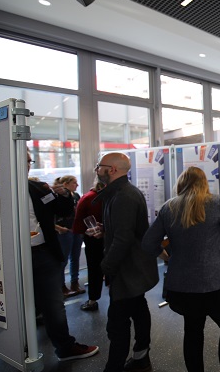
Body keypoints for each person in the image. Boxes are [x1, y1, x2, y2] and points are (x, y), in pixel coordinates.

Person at [142, 166, 220, 372]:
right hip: (217, 281)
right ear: (204, 183)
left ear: (181, 183)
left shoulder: (169, 207)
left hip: (183, 285)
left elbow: (148, 243)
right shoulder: (216, 202)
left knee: (193, 331)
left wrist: (166, 256)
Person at [26, 151, 99, 361]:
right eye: (24, 160)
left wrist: (64, 195)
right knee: (15, 304)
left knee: (53, 303)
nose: (27, 165)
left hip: (42, 252)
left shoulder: (37, 188)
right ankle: (18, 347)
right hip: (10, 258)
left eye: (29, 161)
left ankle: (65, 348)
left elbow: (63, 209)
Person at [93, 152, 159, 372]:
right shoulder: (121, 192)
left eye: (99, 166)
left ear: (112, 169)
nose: (97, 170)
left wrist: (106, 267)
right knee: (138, 311)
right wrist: (106, 230)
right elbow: (125, 230)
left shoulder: (124, 196)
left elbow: (123, 239)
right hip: (131, 269)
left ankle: (115, 367)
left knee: (117, 324)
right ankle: (141, 359)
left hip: (127, 271)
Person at [72, 179, 104, 311]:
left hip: (93, 238)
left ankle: (93, 300)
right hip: (111, 237)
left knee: (94, 269)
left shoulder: (88, 197)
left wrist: (84, 231)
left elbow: (78, 222)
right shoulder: (115, 196)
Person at [53, 175, 85, 298]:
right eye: (74, 183)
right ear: (65, 184)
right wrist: (58, 228)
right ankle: (61, 286)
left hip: (75, 229)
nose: (77, 185)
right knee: (63, 260)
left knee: (75, 257)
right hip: (64, 231)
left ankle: (74, 283)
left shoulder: (75, 196)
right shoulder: (57, 197)